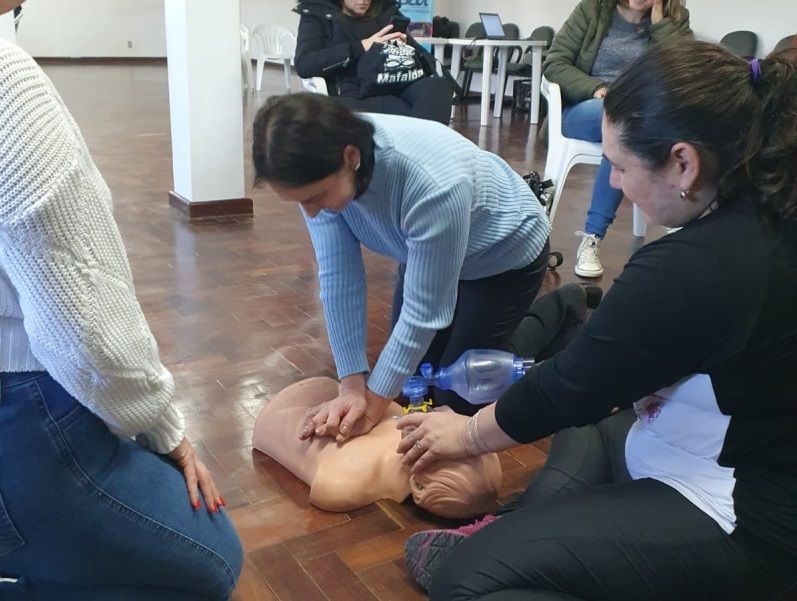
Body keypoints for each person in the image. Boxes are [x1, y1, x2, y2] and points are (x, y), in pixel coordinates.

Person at [397, 40, 797, 600]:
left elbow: (568, 388)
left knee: (470, 582)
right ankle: (528, 545)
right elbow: (592, 379)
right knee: (587, 428)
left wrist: (465, 434)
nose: (612, 182)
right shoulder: (760, 209)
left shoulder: (704, 263)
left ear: (683, 161)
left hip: (749, 510)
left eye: (620, 164)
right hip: (699, 434)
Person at [0, 4, 243, 598]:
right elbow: (82, 327)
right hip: (19, 407)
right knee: (212, 562)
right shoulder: (10, 86)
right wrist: (165, 432)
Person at [252, 93, 551, 439]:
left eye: (316, 197)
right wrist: (350, 385)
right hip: (424, 251)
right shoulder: (322, 170)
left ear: (351, 157)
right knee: (414, 383)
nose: (312, 212)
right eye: (302, 202)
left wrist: (373, 406)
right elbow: (339, 278)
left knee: (455, 395)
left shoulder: (432, 183)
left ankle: (555, 313)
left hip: (505, 255)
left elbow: (424, 313)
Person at [543, 0, 691, 277]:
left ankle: (593, 237)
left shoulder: (674, 18)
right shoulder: (593, 9)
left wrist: (660, 23)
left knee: (627, 128)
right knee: (623, 120)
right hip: (586, 107)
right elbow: (555, 63)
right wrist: (596, 88)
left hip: (637, 118)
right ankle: (595, 235)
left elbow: (682, 70)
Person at [252, 377, 501, 519]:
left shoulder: (345, 484)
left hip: (280, 414)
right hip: (331, 393)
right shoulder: (412, 427)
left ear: (419, 485)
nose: (447, 413)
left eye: (452, 447)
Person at [294, 0, 454, 125]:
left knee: (438, 87)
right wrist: (362, 47)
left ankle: (423, 157)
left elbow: (423, 56)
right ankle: (415, 155)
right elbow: (305, 65)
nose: (364, 1)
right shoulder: (317, 16)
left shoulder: (386, 13)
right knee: (409, 111)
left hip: (393, 82)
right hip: (351, 90)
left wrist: (407, 47)